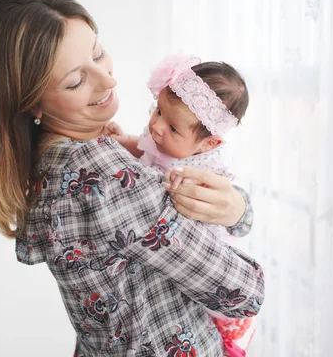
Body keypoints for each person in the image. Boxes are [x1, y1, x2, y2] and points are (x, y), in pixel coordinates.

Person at [0, 0, 264, 357]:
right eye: (76, 80)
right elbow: (244, 293)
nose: (108, 81)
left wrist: (237, 211)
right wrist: (238, 212)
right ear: (32, 102)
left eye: (98, 53)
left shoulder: (51, 162)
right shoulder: (106, 179)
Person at [103, 54, 255, 356]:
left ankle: (230, 340)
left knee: (215, 313)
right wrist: (122, 141)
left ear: (208, 143)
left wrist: (182, 183)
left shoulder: (208, 166)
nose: (157, 126)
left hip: (202, 249)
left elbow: (218, 204)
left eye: (173, 128)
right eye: (158, 110)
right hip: (161, 264)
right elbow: (145, 146)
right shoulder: (163, 137)